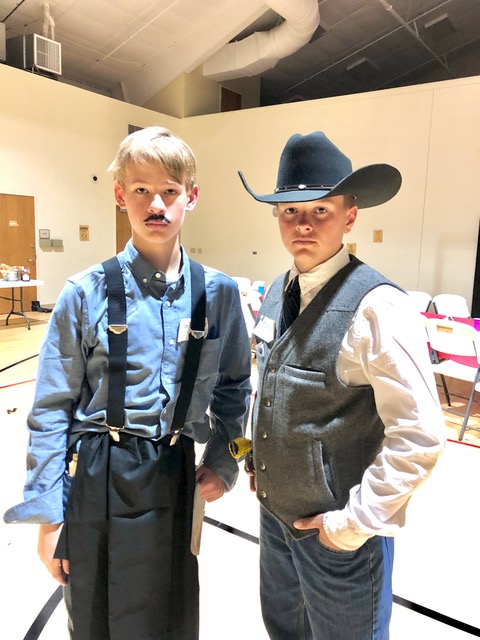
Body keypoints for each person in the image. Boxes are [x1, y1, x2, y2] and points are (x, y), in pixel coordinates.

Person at [4, 126, 252, 640]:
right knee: (97, 617)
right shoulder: (84, 293)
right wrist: (49, 517)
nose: (155, 204)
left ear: (191, 197)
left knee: (170, 616)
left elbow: (234, 387)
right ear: (120, 196)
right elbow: (51, 407)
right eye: (141, 189)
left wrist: (225, 461)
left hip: (176, 472)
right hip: (100, 473)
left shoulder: (219, 293)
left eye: (169, 190)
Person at [238, 130, 445, 639]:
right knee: (284, 631)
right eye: (290, 211)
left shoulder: (378, 307)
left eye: (320, 210)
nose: (303, 224)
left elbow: (420, 436)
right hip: (275, 521)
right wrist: (257, 457)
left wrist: (350, 526)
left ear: (350, 216)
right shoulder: (277, 291)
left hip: (339, 539)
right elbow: (273, 386)